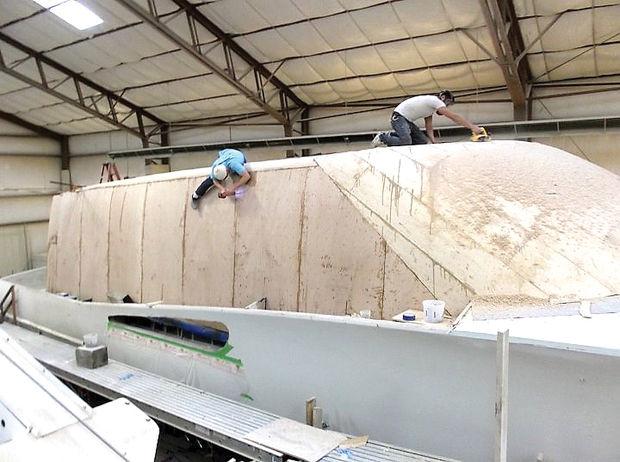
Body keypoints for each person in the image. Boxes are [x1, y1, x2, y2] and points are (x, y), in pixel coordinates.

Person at [372, 90, 484, 147]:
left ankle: (392, 136)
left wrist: (434, 141)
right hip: (398, 117)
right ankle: (382, 137)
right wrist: (473, 127)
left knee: (422, 141)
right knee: (406, 141)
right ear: (443, 98)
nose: (446, 106)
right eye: (448, 103)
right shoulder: (436, 101)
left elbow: (429, 126)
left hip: (406, 121)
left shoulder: (430, 108)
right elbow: (453, 117)